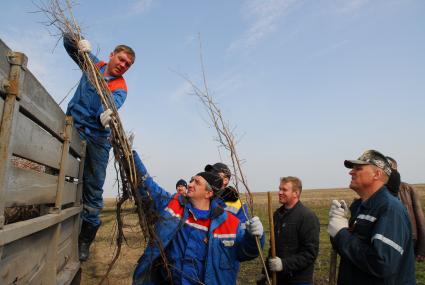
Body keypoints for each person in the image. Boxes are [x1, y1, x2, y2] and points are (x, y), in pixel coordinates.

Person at [132, 151, 265, 285]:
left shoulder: (228, 222)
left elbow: (246, 252)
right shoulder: (175, 206)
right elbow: (151, 187)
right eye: (191, 180)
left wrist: (255, 237)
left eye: (196, 182)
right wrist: (134, 159)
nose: (189, 184)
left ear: (208, 193)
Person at [63, 34, 135, 261]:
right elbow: (67, 41)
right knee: (61, 173)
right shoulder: (92, 63)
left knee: (93, 190)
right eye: (122, 59)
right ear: (112, 55)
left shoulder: (120, 87)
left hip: (97, 138)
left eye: (128, 65)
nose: (123, 66)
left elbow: (114, 103)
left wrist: (107, 114)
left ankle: (85, 241)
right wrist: (77, 42)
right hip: (72, 126)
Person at [328, 150, 415, 284]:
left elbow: (382, 264)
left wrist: (341, 234)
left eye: (358, 168)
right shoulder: (361, 206)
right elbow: (348, 250)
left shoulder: (390, 209)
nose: (351, 172)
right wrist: (339, 226)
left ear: (377, 174)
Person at [259, 176, 320, 285]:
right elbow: (273, 247)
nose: (280, 192)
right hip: (278, 279)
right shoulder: (277, 215)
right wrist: (266, 273)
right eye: (279, 189)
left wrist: (284, 264)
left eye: (284, 190)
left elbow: (310, 253)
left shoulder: (307, 217)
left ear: (296, 193)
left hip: (299, 280)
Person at [386, 156, 425, 261]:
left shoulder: (408, 189)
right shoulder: (377, 191)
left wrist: (421, 249)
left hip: (408, 238)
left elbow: (420, 219)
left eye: (390, 168)